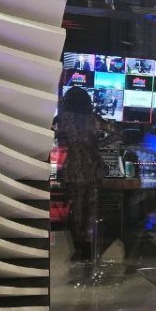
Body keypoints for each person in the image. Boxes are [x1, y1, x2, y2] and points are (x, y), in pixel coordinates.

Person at [56, 86, 107, 261]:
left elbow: (61, 142)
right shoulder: (94, 120)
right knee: (91, 211)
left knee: (76, 210)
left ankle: (78, 248)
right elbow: (118, 133)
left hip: (73, 169)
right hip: (93, 169)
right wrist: (98, 145)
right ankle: (88, 249)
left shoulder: (64, 119)